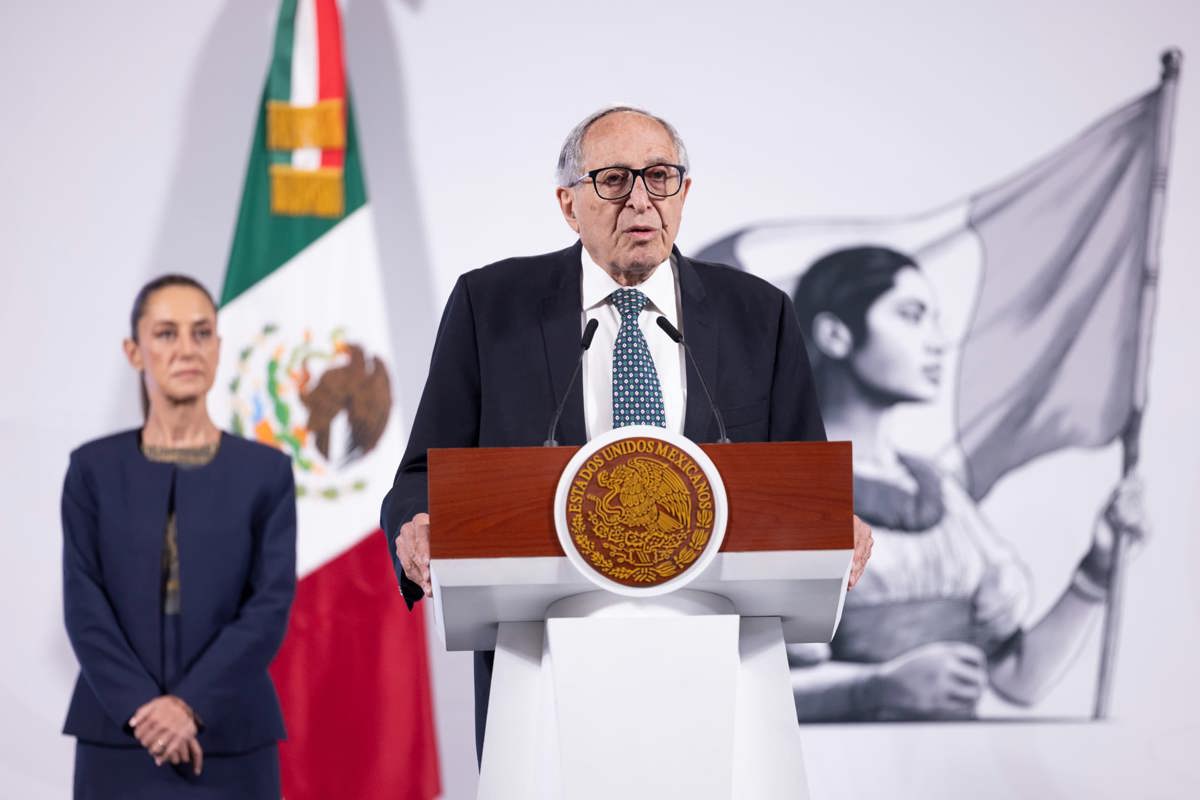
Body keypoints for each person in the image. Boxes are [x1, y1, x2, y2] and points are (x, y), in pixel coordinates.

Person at [380, 106, 874, 758]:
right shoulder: (491, 307)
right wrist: (415, 524)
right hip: (543, 658)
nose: (640, 200)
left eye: (660, 177)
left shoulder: (758, 315)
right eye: (613, 180)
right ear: (569, 203)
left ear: (684, 193)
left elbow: (805, 485)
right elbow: (420, 477)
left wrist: (838, 522)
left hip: (718, 658)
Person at [786, 246, 1145, 720]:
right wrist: (874, 688)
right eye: (912, 316)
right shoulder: (786, 488)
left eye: (935, 319)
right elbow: (752, 685)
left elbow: (1018, 679)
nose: (936, 342)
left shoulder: (940, 493)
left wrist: (1096, 573)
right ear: (835, 334)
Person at [62, 274, 297, 798]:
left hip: (233, 737)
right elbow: (84, 606)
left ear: (218, 347)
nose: (187, 349)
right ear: (134, 351)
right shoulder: (91, 470)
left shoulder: (267, 472)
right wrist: (144, 711)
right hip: (118, 736)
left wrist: (190, 707)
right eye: (167, 333)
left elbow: (269, 606)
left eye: (202, 333)